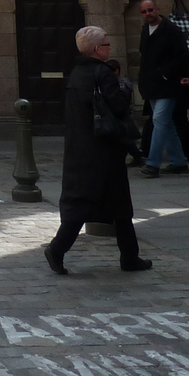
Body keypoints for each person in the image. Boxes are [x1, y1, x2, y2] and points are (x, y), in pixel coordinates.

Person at [46, 26, 151, 275]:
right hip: (103, 148)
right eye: (106, 44)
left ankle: (129, 256)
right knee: (104, 202)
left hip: (81, 146)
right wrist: (125, 90)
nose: (108, 47)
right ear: (96, 49)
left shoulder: (78, 73)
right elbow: (116, 105)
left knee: (104, 203)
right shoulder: (102, 73)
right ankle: (58, 248)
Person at [136, 0, 189, 177]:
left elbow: (183, 55)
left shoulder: (171, 30)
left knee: (159, 120)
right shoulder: (145, 30)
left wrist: (166, 73)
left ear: (157, 9)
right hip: (151, 84)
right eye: (144, 11)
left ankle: (153, 163)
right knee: (165, 124)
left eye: (150, 10)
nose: (148, 14)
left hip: (167, 85)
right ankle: (178, 161)